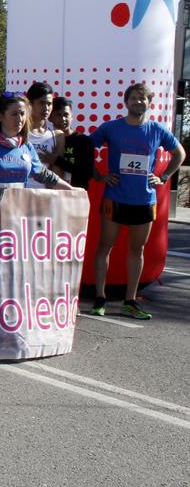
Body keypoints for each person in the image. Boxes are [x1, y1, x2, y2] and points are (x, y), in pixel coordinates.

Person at [88, 82, 186, 319]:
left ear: (149, 103)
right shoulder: (111, 127)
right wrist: (98, 175)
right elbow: (85, 149)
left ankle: (130, 300)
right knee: (104, 247)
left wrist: (162, 177)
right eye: (134, 98)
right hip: (115, 198)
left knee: (137, 249)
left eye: (142, 99)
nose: (138, 102)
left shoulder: (157, 129)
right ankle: (99, 298)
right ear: (126, 101)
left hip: (144, 199)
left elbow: (179, 154)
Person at [0, 93, 74, 191]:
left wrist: (71, 190)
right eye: (14, 114)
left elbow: (43, 174)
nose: (20, 119)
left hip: (17, 213)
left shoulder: (26, 146)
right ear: (0, 116)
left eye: (22, 114)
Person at [24, 81, 65, 189]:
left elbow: (57, 172)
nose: (46, 108)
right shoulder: (17, 131)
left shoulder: (57, 135)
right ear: (30, 104)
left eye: (49, 103)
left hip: (44, 195)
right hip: (19, 193)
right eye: (42, 103)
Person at [50, 96, 94, 189]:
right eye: (58, 114)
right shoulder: (47, 141)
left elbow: (88, 173)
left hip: (76, 195)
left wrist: (57, 160)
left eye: (66, 114)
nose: (63, 119)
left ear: (72, 116)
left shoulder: (84, 140)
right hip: (52, 195)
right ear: (50, 117)